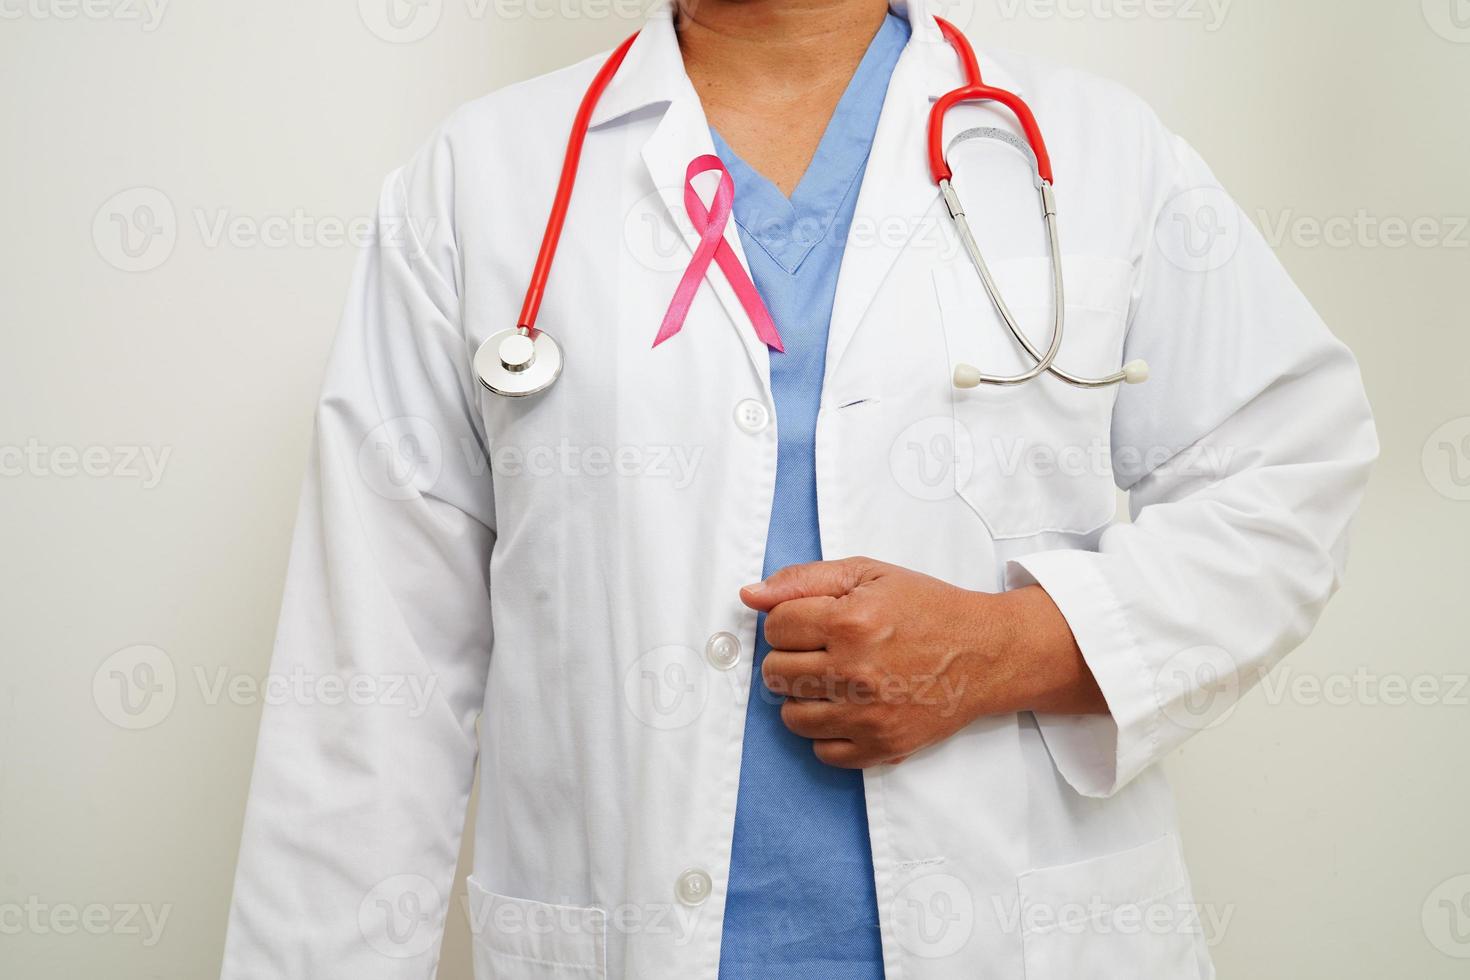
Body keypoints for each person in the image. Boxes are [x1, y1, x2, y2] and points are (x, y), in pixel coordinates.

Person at [221, 0, 1377, 977]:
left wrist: (1016, 643)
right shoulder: (481, 183)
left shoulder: (1097, 149)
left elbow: (1291, 461)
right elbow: (368, 686)